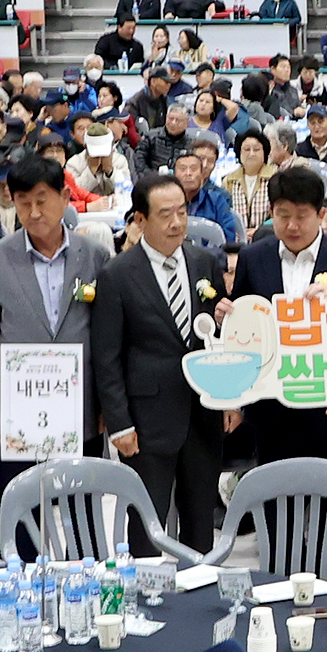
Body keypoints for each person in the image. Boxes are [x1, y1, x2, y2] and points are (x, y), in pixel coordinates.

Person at [91, 173, 232, 554]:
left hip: (203, 414)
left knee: (200, 521)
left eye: (182, 212)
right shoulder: (117, 275)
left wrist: (229, 397)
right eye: (165, 214)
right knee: (147, 523)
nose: (177, 223)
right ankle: (147, 600)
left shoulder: (204, 262)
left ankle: (200, 592)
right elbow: (106, 357)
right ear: (139, 219)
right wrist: (119, 423)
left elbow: (215, 340)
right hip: (147, 418)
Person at [225, 162, 327, 468]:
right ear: (271, 211)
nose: (292, 226)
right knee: (275, 501)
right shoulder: (254, 258)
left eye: (301, 217)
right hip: (270, 407)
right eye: (283, 216)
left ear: (321, 214)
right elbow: (241, 330)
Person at [0, 153, 111, 457]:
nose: (33, 212)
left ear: (65, 198)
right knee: (24, 499)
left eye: (41, 200)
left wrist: (107, 404)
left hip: (82, 402)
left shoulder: (95, 256)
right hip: (19, 408)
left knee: (84, 498)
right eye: (23, 202)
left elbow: (107, 339)